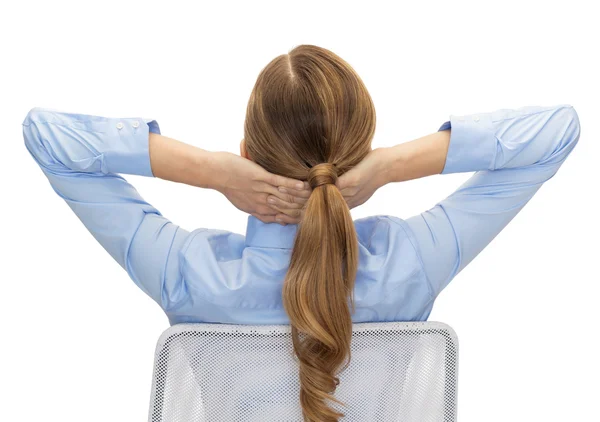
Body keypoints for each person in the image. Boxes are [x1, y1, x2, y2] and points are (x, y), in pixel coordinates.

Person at [23, 44, 580, 422]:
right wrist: (390, 165)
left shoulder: (187, 274)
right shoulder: (412, 260)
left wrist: (211, 171)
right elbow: (556, 133)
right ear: (355, 156)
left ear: (248, 154)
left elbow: (49, 140)